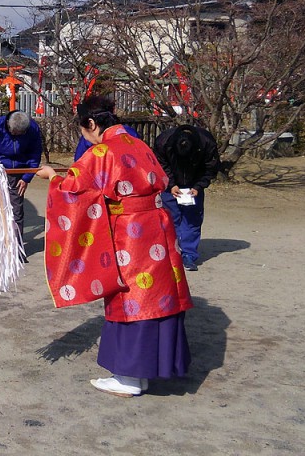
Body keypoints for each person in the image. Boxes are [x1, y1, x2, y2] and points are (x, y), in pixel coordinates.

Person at [35, 96, 192, 397]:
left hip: (130, 234)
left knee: (130, 297)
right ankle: (146, 372)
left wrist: (53, 177)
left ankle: (129, 377)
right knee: (158, 294)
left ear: (91, 124)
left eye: (83, 130)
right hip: (157, 226)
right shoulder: (138, 144)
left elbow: (74, 190)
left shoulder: (101, 152)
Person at [152, 124, 221, 272]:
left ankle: (189, 254)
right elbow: (160, 165)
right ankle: (172, 253)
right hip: (170, 185)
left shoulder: (206, 142)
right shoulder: (163, 141)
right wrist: (171, 185)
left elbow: (211, 167)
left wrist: (198, 186)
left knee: (192, 219)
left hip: (194, 184)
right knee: (170, 219)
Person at [0, 110, 43, 246]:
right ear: (8, 125)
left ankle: (16, 248)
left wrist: (26, 177)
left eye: (20, 135)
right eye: (14, 133)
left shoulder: (32, 129)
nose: (16, 136)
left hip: (19, 171)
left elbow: (34, 154)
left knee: (16, 210)